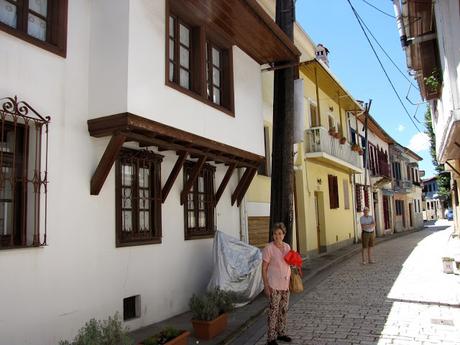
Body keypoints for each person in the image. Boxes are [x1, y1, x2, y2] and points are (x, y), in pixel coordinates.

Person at [262, 223, 292, 345]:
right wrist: (265, 285)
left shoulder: (287, 247)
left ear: (283, 235)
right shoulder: (268, 248)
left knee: (283, 310)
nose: (277, 236)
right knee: (273, 311)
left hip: (285, 284)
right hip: (273, 285)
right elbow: (263, 268)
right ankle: (271, 338)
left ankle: (281, 333)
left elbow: (290, 263)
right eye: (275, 234)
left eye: (280, 233)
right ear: (273, 235)